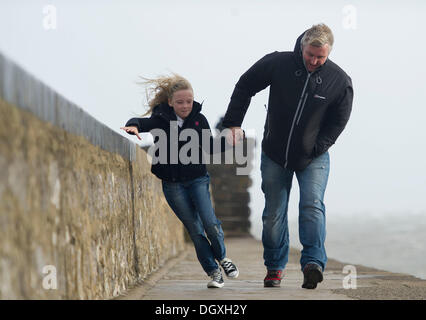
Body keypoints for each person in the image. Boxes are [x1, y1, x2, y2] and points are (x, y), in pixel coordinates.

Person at [222, 24, 353, 289]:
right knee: (274, 214)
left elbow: (339, 121)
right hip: (275, 153)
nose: (314, 61)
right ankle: (274, 267)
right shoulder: (279, 63)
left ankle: (312, 264)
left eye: (320, 57)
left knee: (312, 206)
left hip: (314, 157)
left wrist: (317, 148)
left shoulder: (339, 81)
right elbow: (245, 85)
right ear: (302, 47)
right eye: (310, 55)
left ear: (329, 53)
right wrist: (233, 123)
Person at [121, 74, 239, 288]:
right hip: (173, 185)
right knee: (195, 230)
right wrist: (133, 126)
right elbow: (140, 121)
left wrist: (229, 143)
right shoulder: (160, 119)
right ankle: (214, 273)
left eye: (188, 101)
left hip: (197, 180)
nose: (185, 106)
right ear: (170, 102)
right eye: (180, 102)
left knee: (210, 222)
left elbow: (210, 147)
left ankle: (223, 258)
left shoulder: (198, 119)